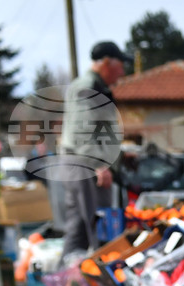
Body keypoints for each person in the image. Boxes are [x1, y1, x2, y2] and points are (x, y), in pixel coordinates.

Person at [59, 40, 130, 260]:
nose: (122, 72)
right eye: (120, 66)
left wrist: (120, 156)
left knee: (82, 225)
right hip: (85, 165)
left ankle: (70, 274)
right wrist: (99, 164)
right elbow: (82, 131)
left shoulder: (96, 87)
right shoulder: (87, 87)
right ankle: (82, 275)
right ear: (107, 63)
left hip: (84, 163)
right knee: (93, 226)